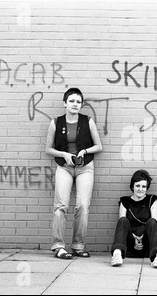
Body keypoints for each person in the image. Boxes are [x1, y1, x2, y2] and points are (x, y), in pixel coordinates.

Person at [45, 87, 103, 259]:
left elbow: (99, 146)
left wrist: (84, 151)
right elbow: (48, 149)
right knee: (61, 206)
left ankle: (78, 245)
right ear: (65, 103)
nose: (75, 104)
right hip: (64, 167)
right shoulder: (56, 122)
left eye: (78, 102)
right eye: (71, 101)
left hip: (85, 167)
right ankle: (59, 246)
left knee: (83, 206)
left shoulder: (88, 121)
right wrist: (63, 154)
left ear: (81, 104)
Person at [111, 170, 157, 269]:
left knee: (153, 222)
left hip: (147, 244)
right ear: (132, 186)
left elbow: (155, 222)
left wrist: (140, 238)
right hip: (128, 245)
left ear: (147, 187)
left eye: (143, 187)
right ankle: (117, 254)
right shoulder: (125, 201)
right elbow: (122, 226)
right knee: (123, 220)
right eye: (137, 186)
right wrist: (134, 238)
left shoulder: (152, 200)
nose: (140, 189)